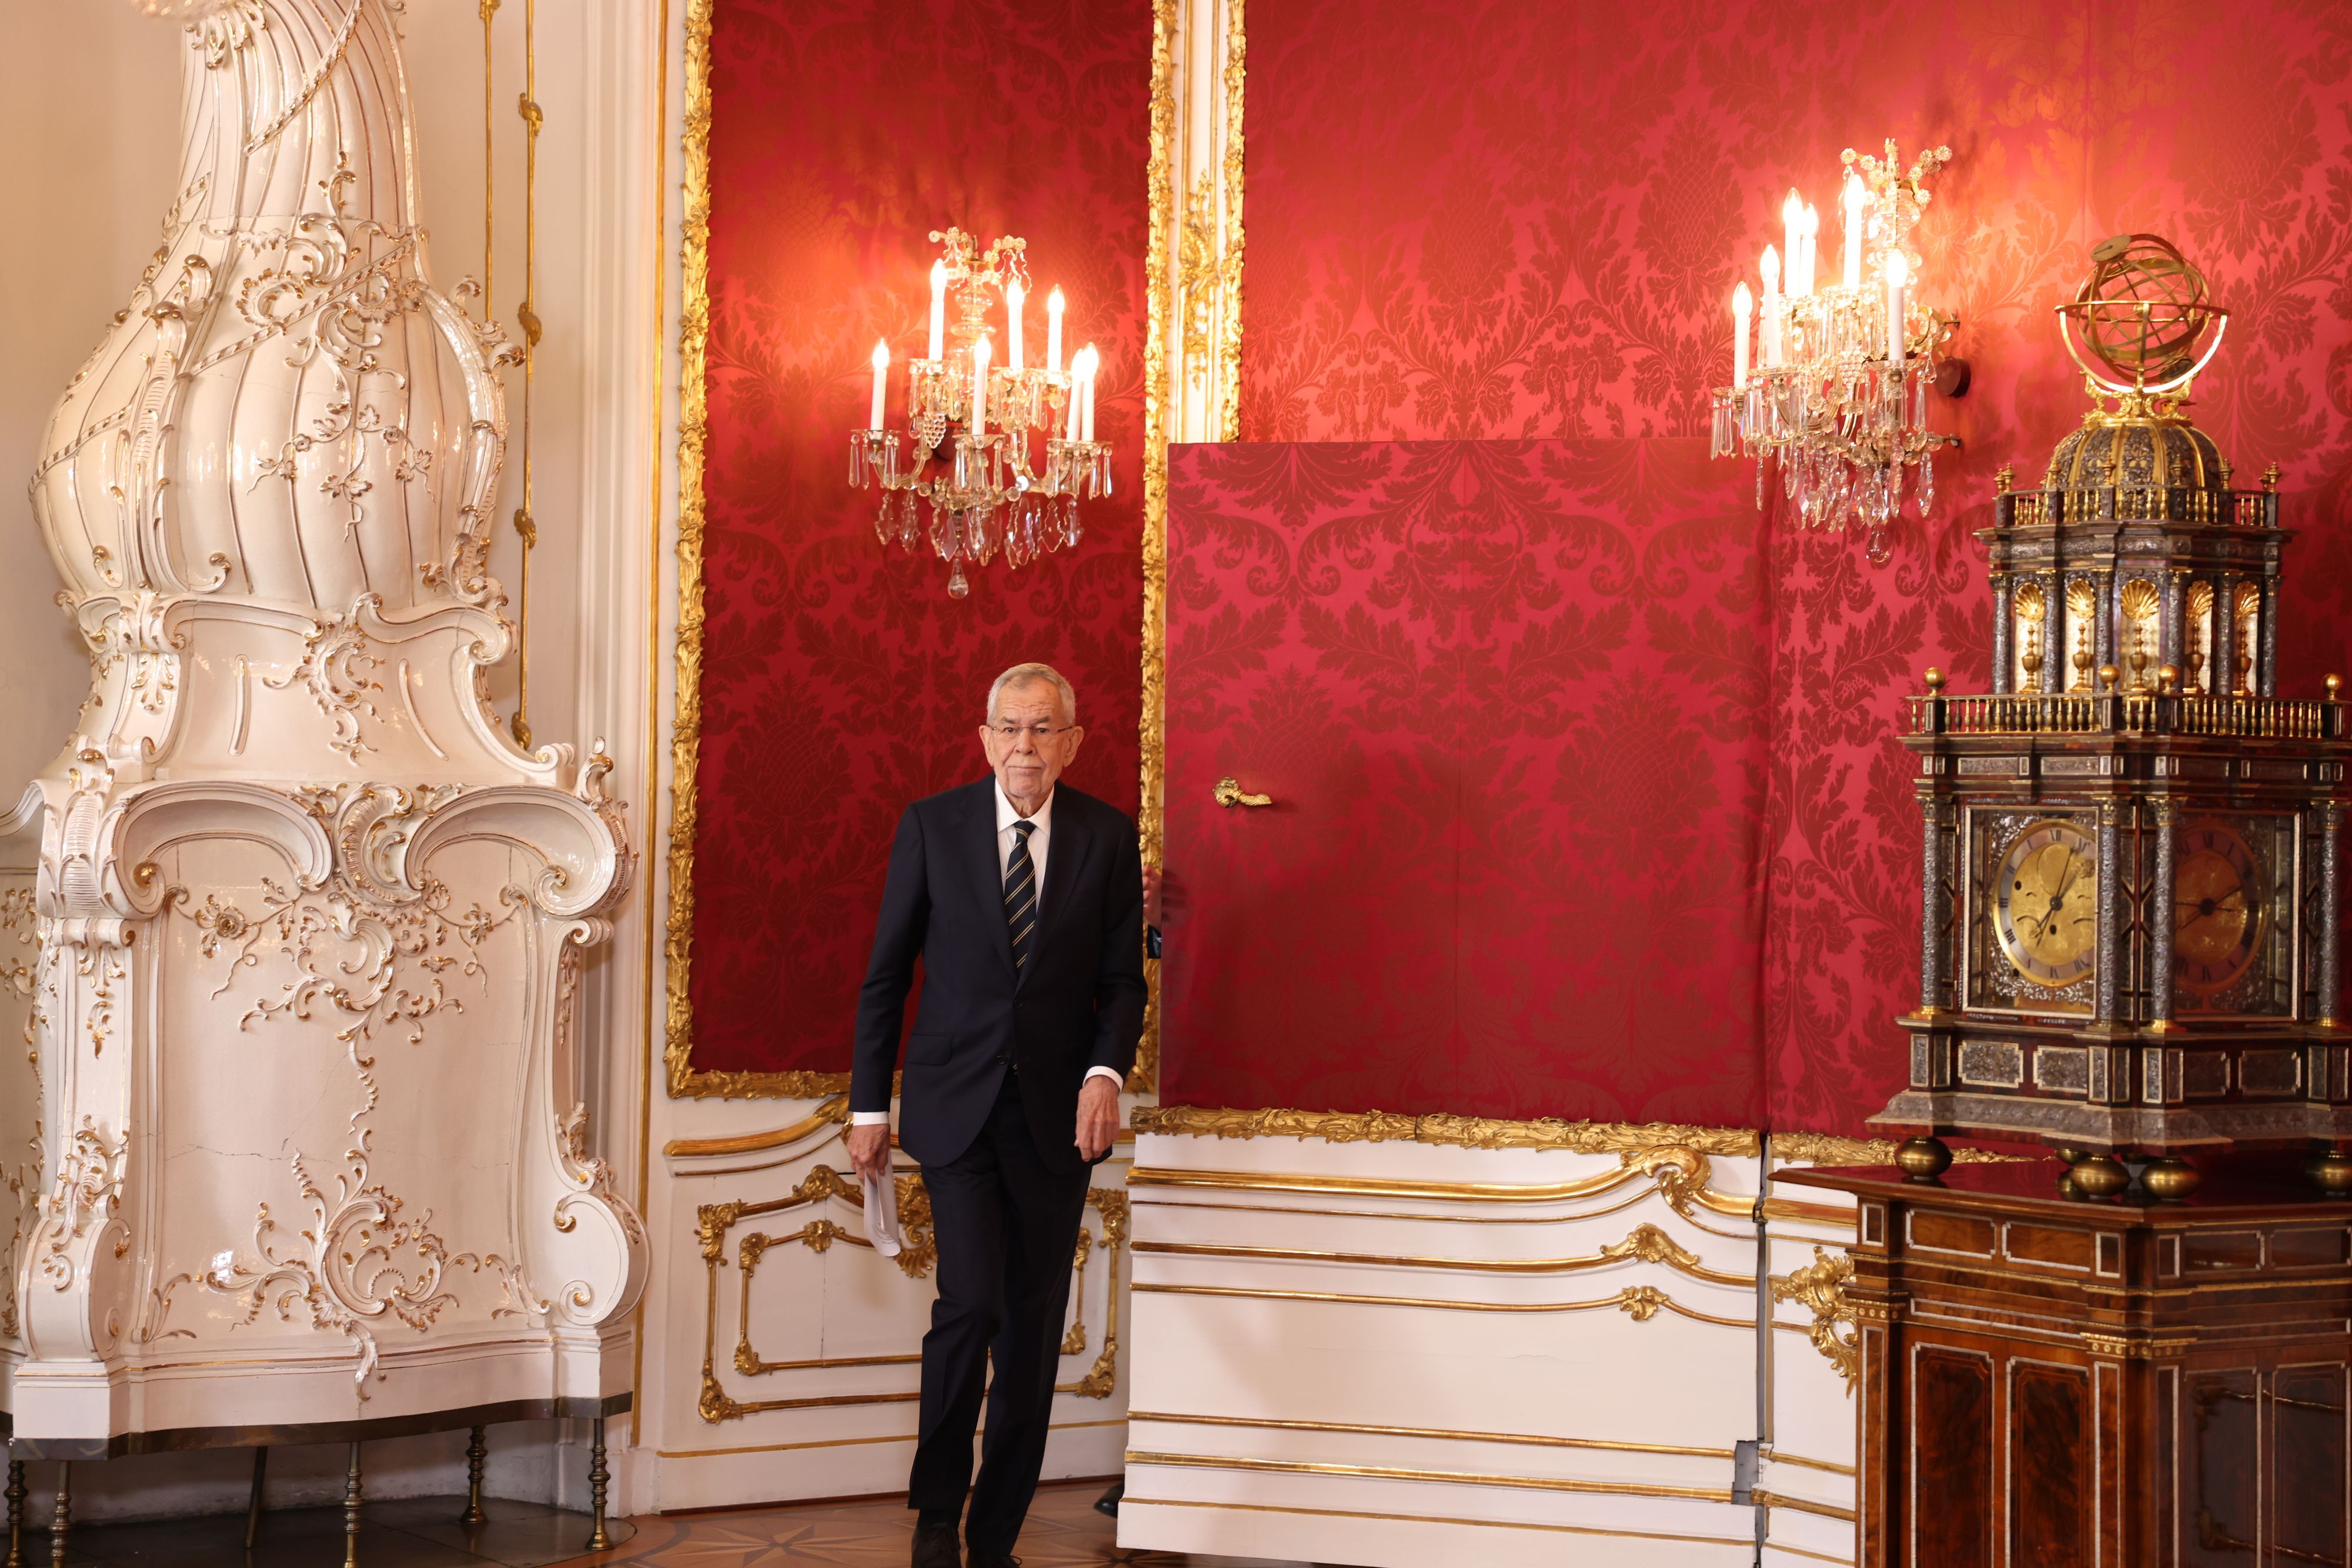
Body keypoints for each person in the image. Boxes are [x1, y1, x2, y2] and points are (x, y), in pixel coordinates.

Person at [848, 663, 1147, 1568]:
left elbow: (1121, 983)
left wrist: (1105, 1073)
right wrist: (869, 1105)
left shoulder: (1106, 835)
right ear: (985, 739)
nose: (1025, 746)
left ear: (1072, 742)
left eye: (1043, 728)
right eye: (1011, 728)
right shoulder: (932, 826)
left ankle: (996, 1538)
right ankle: (938, 1513)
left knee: (1030, 1328)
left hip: (1059, 1122)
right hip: (955, 1110)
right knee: (970, 1304)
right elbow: (886, 976)